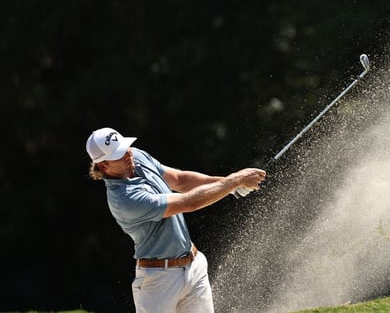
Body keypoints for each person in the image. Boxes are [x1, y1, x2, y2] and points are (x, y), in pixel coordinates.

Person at [86, 127, 266, 312]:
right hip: (158, 282)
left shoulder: (136, 157)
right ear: (103, 166)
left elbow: (180, 180)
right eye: (119, 153)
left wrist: (232, 185)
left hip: (193, 266)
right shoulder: (124, 199)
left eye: (125, 147)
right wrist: (234, 181)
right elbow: (188, 203)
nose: (128, 153)